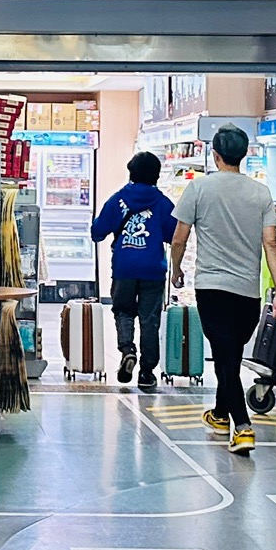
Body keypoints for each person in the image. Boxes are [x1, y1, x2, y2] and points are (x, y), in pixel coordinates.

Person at [169, 124, 276, 455]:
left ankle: (243, 427)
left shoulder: (199, 188)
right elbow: (271, 243)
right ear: (244, 154)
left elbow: (179, 238)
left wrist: (176, 269)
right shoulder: (260, 193)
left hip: (212, 288)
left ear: (215, 154)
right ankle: (221, 415)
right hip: (248, 292)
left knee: (225, 359)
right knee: (229, 355)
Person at [90, 151, 178, 388]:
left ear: (131, 173)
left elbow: (97, 232)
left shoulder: (118, 199)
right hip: (153, 269)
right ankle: (147, 372)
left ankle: (127, 350)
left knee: (123, 311)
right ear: (156, 175)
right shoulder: (163, 203)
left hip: (124, 267)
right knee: (150, 320)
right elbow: (174, 235)